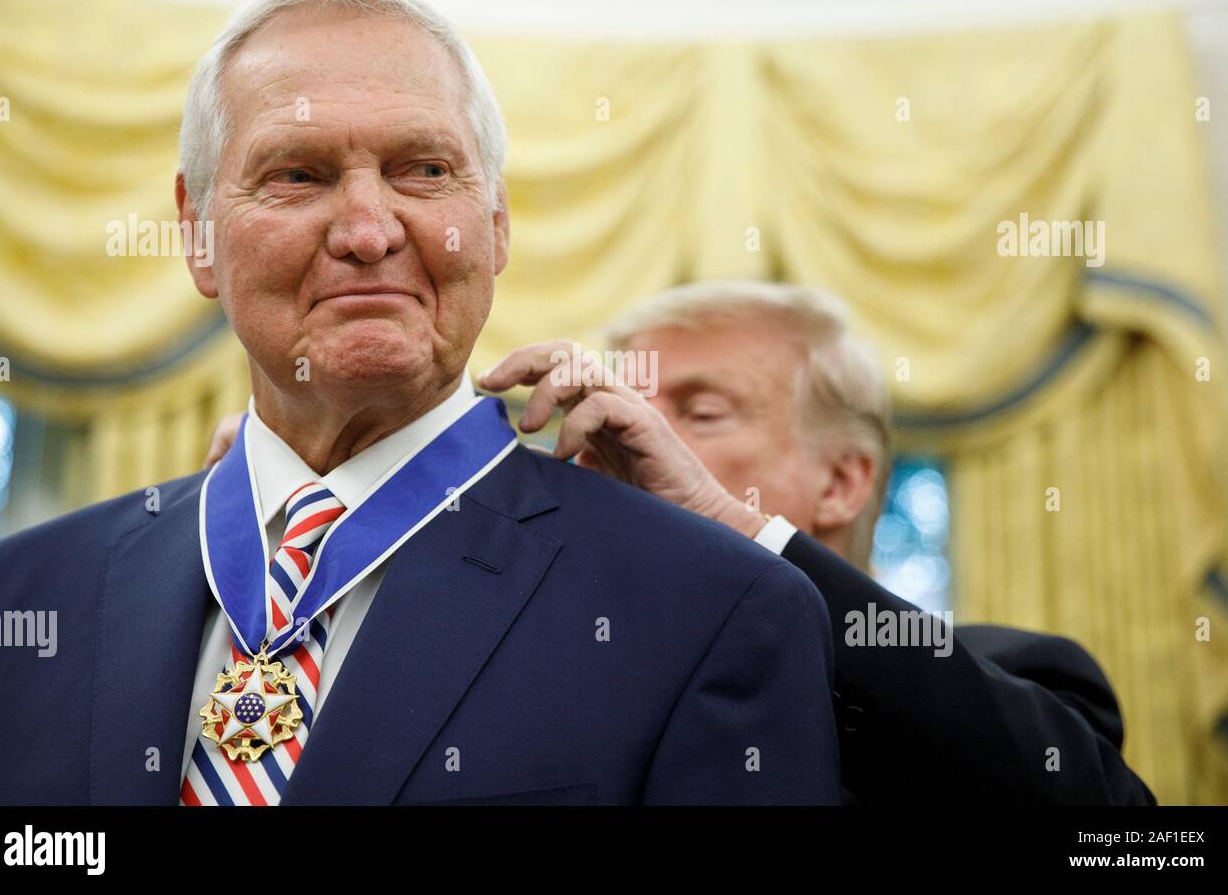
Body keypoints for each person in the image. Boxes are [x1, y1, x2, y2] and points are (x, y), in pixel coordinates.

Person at [0, 0, 841, 806]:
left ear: (495, 225)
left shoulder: (708, 610)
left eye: (424, 170)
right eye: (297, 174)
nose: (369, 232)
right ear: (197, 235)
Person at [473, 280, 1156, 804]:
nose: (632, 432)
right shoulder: (555, 695)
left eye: (702, 412)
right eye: (629, 403)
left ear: (840, 483)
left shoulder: (1018, 672)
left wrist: (727, 522)